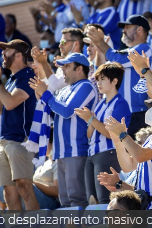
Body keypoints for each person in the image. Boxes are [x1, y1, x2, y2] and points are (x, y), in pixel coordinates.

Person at [29, 53, 99, 208]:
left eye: (67, 66)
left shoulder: (86, 86)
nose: (63, 70)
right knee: (66, 202)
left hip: (76, 151)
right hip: (61, 153)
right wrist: (42, 96)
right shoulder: (66, 89)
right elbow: (56, 114)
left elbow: (67, 111)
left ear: (79, 69)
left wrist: (47, 94)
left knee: (77, 200)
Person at [104, 91, 152, 210]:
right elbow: (129, 166)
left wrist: (123, 135)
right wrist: (118, 142)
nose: (151, 111)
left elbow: (140, 155)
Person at [0, 39, 38, 210]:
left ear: (19, 56)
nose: (3, 53)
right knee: (9, 193)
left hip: (21, 140)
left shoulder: (29, 75)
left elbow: (10, 102)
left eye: (7, 51)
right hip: (6, 141)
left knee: (24, 188)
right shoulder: (11, 80)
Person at [87, 15, 152, 139]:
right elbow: (101, 71)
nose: (123, 30)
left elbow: (119, 59)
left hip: (138, 113)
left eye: (128, 27)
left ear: (140, 30)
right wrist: (99, 48)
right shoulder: (123, 52)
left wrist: (101, 42)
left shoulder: (145, 48)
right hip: (120, 111)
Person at [74, 62, 131, 205]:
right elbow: (89, 134)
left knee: (106, 199)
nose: (98, 83)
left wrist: (91, 119)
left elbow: (111, 133)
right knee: (93, 200)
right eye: (98, 79)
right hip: (92, 154)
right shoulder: (100, 104)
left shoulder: (120, 103)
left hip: (108, 153)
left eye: (103, 79)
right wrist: (90, 120)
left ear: (114, 81)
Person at [33, 28, 85, 94]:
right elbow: (49, 88)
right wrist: (40, 66)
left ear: (76, 44)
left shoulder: (79, 65)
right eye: (60, 42)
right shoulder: (63, 64)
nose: (60, 45)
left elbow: (56, 85)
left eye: (63, 42)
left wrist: (44, 63)